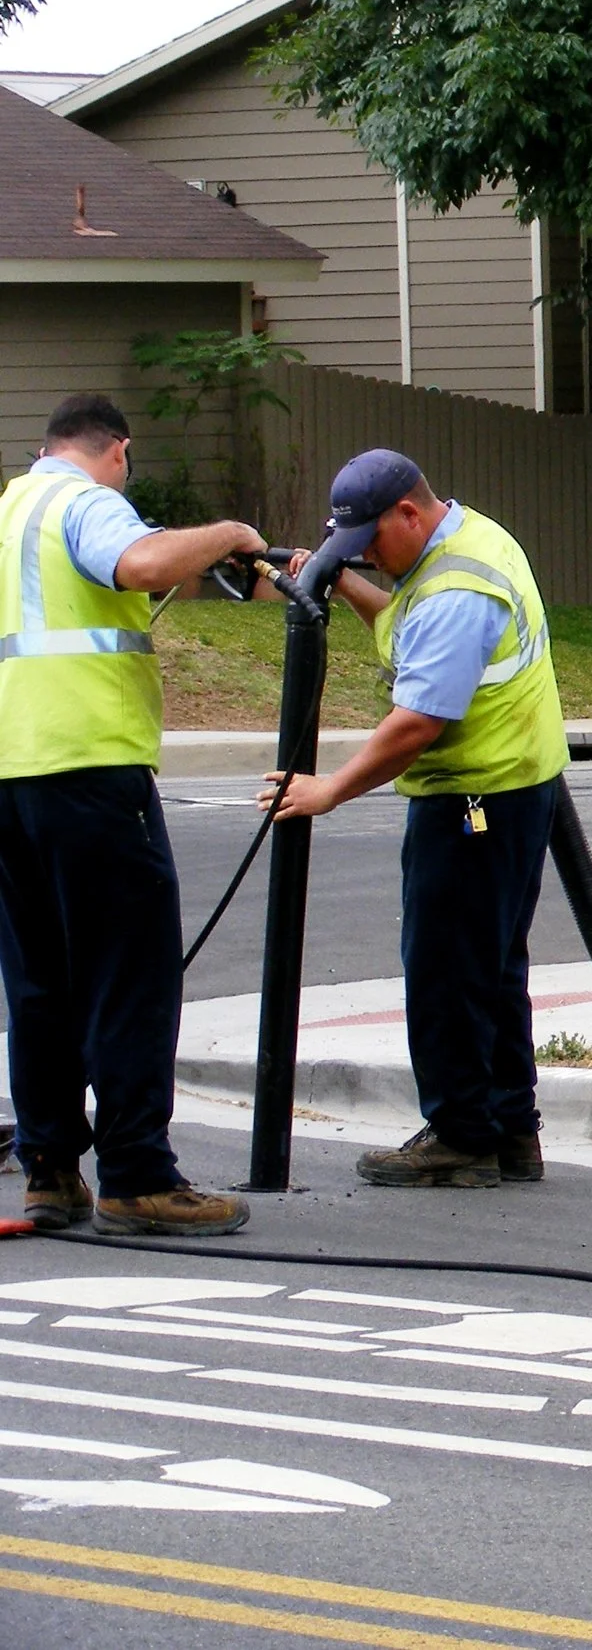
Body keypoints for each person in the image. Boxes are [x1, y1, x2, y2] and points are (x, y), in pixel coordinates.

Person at [262, 451, 569, 1188]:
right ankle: (508, 1129)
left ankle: (462, 1135)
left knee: (447, 969)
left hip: (473, 798)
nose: (366, 549)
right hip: (511, 791)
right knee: (491, 968)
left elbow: (418, 721)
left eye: (371, 537)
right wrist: (342, 581)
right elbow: (406, 624)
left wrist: (327, 789)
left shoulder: (456, 592)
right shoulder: (465, 545)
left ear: (409, 511)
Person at [0, 394, 267, 1235]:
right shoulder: (87, 500)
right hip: (92, 767)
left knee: (39, 981)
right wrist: (229, 534)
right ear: (117, 449)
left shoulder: (9, 509)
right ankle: (137, 1175)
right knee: (131, 973)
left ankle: (49, 1169)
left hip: (13, 774)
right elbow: (142, 563)